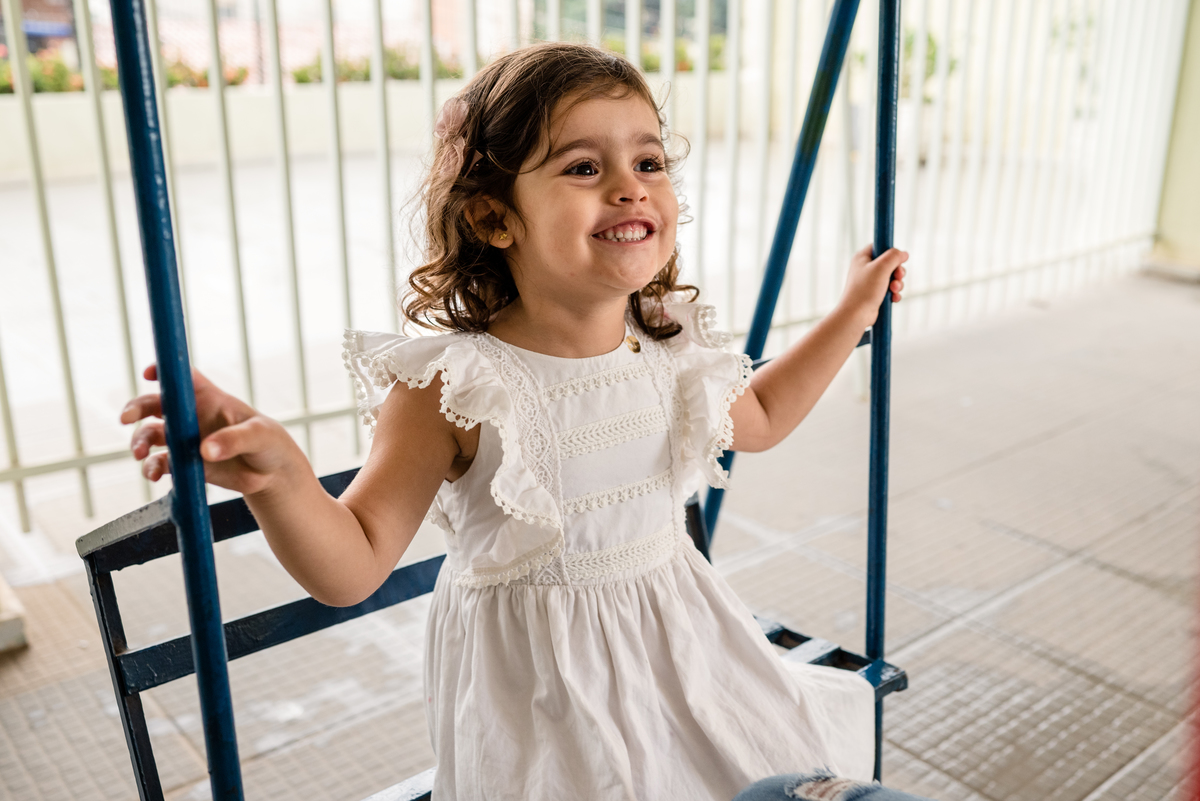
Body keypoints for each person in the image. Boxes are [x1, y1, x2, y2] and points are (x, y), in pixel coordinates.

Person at [122, 42, 908, 801]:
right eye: (584, 168)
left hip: (687, 659)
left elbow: (762, 413)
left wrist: (853, 310)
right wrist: (282, 479)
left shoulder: (668, 342)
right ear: (496, 219)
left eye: (649, 162)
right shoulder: (457, 386)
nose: (631, 189)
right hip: (544, 712)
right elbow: (353, 565)